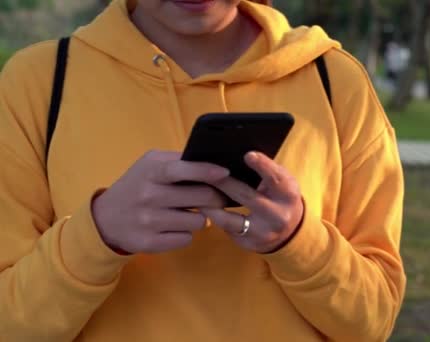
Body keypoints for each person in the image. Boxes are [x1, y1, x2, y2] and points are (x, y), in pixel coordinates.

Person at [0, 0, 406, 341]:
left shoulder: (334, 80)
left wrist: (299, 241)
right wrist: (99, 233)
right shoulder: (38, 82)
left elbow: (371, 322)